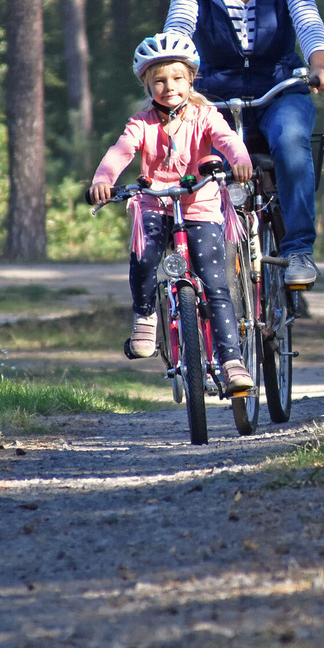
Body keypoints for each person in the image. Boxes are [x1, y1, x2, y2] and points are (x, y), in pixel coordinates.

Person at [163, 0, 324, 288]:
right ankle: (199, 260)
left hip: (279, 86)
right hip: (215, 93)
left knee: (291, 141)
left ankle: (298, 250)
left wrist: (319, 66)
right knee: (202, 168)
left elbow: (308, 22)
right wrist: (174, 72)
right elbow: (179, 29)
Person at [89, 32, 255, 395]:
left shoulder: (205, 115)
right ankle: (145, 315)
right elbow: (121, 151)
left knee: (215, 284)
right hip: (155, 204)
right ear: (147, 85)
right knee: (144, 257)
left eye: (177, 78)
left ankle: (232, 363)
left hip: (201, 206)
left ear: (191, 79)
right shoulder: (141, 123)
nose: (169, 87)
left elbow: (227, 140)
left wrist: (240, 160)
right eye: (159, 81)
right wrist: (103, 179)